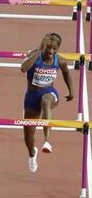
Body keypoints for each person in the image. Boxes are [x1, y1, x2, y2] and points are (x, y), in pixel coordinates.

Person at [20, 33, 74, 173]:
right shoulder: (35, 53)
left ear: (58, 48)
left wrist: (71, 91)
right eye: (48, 48)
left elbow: (66, 73)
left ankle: (47, 141)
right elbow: (23, 68)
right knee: (28, 137)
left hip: (50, 93)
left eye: (54, 49)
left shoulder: (60, 61)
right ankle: (32, 155)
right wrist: (39, 49)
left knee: (46, 101)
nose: (51, 51)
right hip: (32, 97)